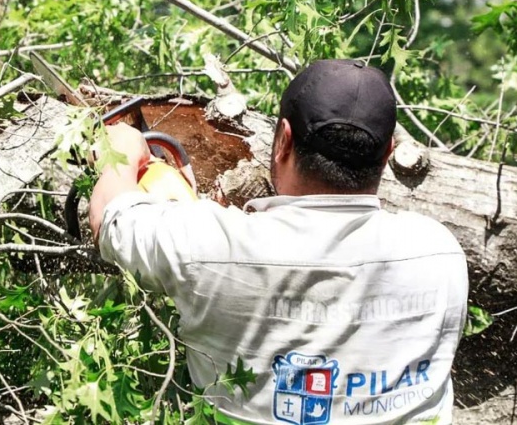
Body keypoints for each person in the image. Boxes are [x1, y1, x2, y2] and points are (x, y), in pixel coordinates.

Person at [88, 59, 468, 425]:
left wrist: (120, 148)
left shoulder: (211, 246)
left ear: (283, 139)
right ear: (387, 156)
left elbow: (110, 218)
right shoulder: (439, 251)